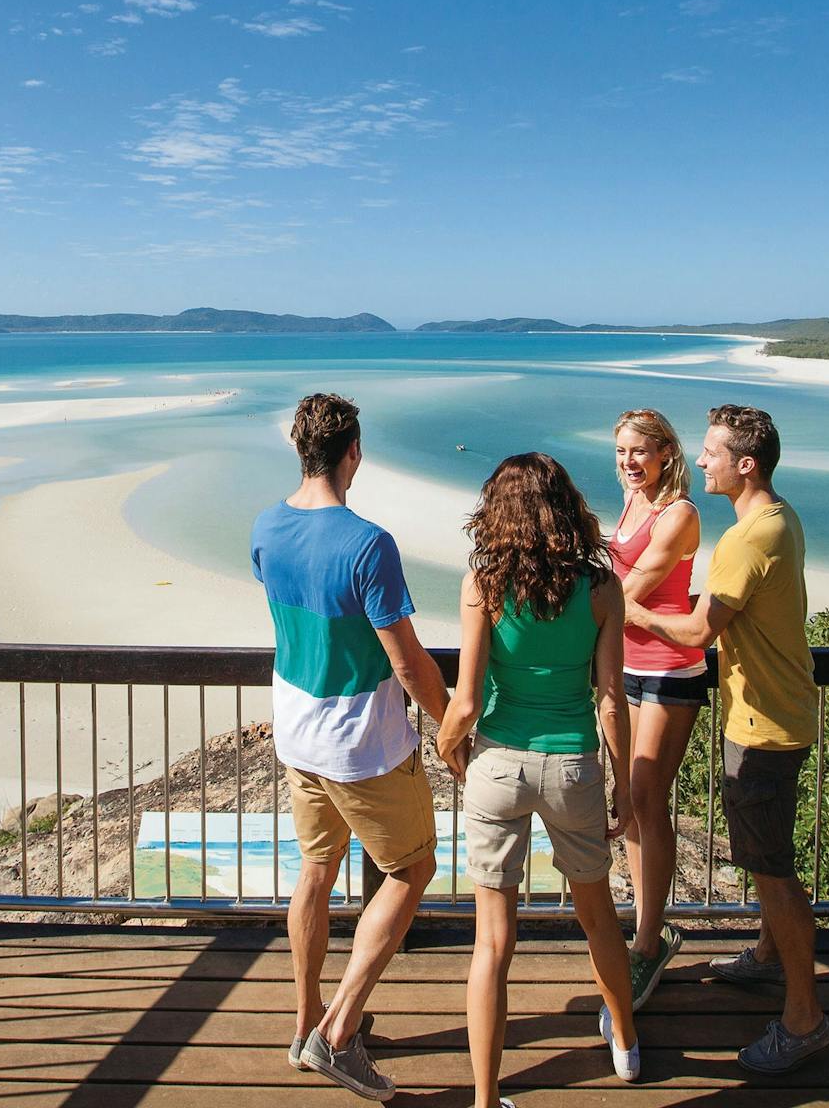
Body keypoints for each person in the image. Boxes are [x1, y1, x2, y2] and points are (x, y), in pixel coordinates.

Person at [620, 404, 829, 1074]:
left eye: (713, 451)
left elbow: (693, 633)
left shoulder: (746, 540)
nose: (703, 459)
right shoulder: (779, 517)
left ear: (745, 464)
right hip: (778, 711)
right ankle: (769, 956)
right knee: (768, 859)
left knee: (772, 873)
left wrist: (615, 604)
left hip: (764, 724)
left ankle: (805, 1021)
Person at [252, 393, 448, 1102]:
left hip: (298, 731)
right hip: (361, 741)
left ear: (300, 449)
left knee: (315, 868)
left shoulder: (266, 527)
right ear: (353, 453)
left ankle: (305, 1024)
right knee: (411, 868)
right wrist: (453, 723)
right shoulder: (368, 543)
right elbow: (408, 663)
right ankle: (338, 1033)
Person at [435, 453, 641, 1107]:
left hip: (498, 762)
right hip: (574, 764)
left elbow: (465, 703)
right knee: (598, 917)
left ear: (495, 515)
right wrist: (625, 785)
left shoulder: (483, 585)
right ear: (567, 508)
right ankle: (628, 1046)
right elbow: (612, 700)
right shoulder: (602, 588)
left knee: (493, 939)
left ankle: (485, 1095)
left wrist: (449, 750)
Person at [606, 408, 704, 1006]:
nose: (628, 462)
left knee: (646, 795)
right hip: (625, 667)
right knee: (634, 802)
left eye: (638, 451)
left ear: (666, 451)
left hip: (669, 672)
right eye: (620, 452)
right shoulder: (629, 503)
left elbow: (627, 591)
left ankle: (648, 940)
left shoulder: (680, 514)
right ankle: (648, 923)